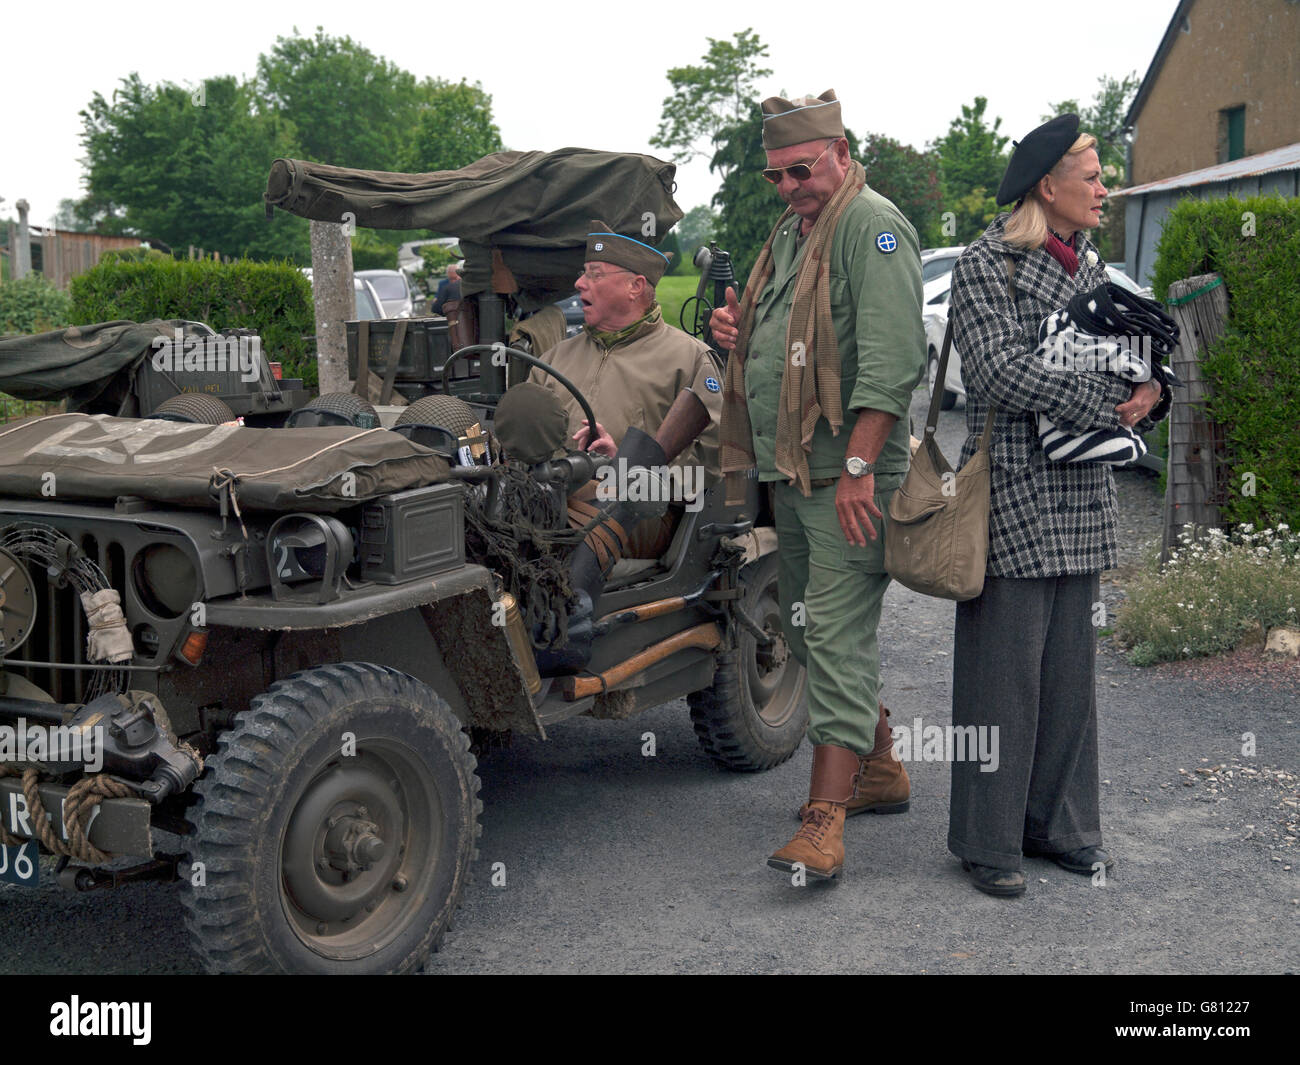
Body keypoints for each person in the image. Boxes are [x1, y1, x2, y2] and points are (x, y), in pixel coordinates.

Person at [945, 114, 1168, 897]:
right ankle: (987, 838)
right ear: (1049, 187)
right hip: (1010, 491)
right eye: (1094, 176)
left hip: (1084, 488)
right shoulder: (985, 264)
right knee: (1001, 678)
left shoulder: (1098, 267)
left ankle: (1059, 827)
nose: (1106, 188)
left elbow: (1134, 354)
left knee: (1070, 681)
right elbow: (999, 373)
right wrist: (1107, 398)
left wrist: (1150, 391)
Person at [709, 89, 925, 879]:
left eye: (801, 169)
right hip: (795, 471)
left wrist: (862, 468)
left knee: (833, 635)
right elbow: (780, 333)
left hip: (848, 476)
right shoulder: (792, 233)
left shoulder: (872, 225)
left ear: (839, 150)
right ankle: (880, 768)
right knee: (801, 628)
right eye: (776, 175)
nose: (790, 185)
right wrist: (734, 329)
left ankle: (824, 820)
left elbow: (894, 361)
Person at [528, 221, 722, 558]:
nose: (579, 283)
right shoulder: (553, 360)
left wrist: (626, 470)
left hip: (641, 515)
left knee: (565, 539)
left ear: (635, 286)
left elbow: (712, 463)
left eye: (595, 274)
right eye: (583, 272)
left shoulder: (689, 359)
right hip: (553, 501)